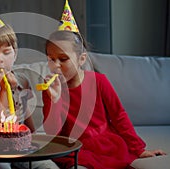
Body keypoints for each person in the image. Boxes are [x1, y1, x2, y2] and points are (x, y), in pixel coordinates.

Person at [41, 1, 166, 168]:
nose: (56, 65)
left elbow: (119, 116)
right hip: (74, 148)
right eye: (51, 59)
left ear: (81, 59)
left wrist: (138, 149)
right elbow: (52, 133)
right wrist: (54, 101)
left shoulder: (99, 82)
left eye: (63, 59)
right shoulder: (51, 89)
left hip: (105, 145)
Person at [0, 1, 59, 169]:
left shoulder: (23, 80)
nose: (1, 60)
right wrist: (5, 91)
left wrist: (33, 140)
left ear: (15, 53)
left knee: (47, 166)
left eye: (6, 52)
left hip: (22, 146)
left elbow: (25, 113)